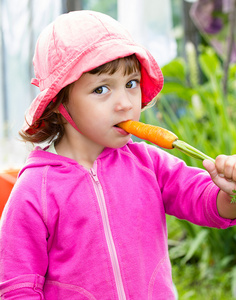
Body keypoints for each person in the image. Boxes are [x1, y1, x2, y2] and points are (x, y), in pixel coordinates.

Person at [0, 10, 236, 300]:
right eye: (101, 89)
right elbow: (17, 285)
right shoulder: (35, 191)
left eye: (131, 83)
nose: (124, 103)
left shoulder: (150, 164)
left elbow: (204, 200)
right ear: (59, 103)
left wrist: (230, 194)